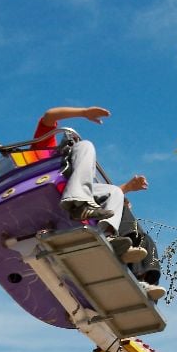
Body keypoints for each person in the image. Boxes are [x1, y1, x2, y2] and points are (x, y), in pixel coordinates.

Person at [32, 107, 147, 265]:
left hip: (72, 190)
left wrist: (127, 187)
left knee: (115, 191)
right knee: (85, 145)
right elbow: (49, 115)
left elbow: (102, 192)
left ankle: (107, 236)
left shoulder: (78, 176)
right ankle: (78, 204)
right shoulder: (44, 147)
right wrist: (83, 112)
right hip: (44, 181)